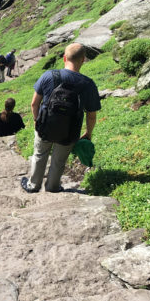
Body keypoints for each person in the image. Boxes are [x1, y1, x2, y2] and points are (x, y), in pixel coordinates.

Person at [21, 42, 101, 193]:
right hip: (70, 131)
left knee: (39, 155)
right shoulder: (88, 84)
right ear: (83, 60)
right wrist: (88, 133)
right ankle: (52, 187)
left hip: (45, 125)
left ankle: (33, 185)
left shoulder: (49, 75)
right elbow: (91, 115)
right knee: (59, 161)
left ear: (64, 58)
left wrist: (37, 121)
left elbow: (34, 104)